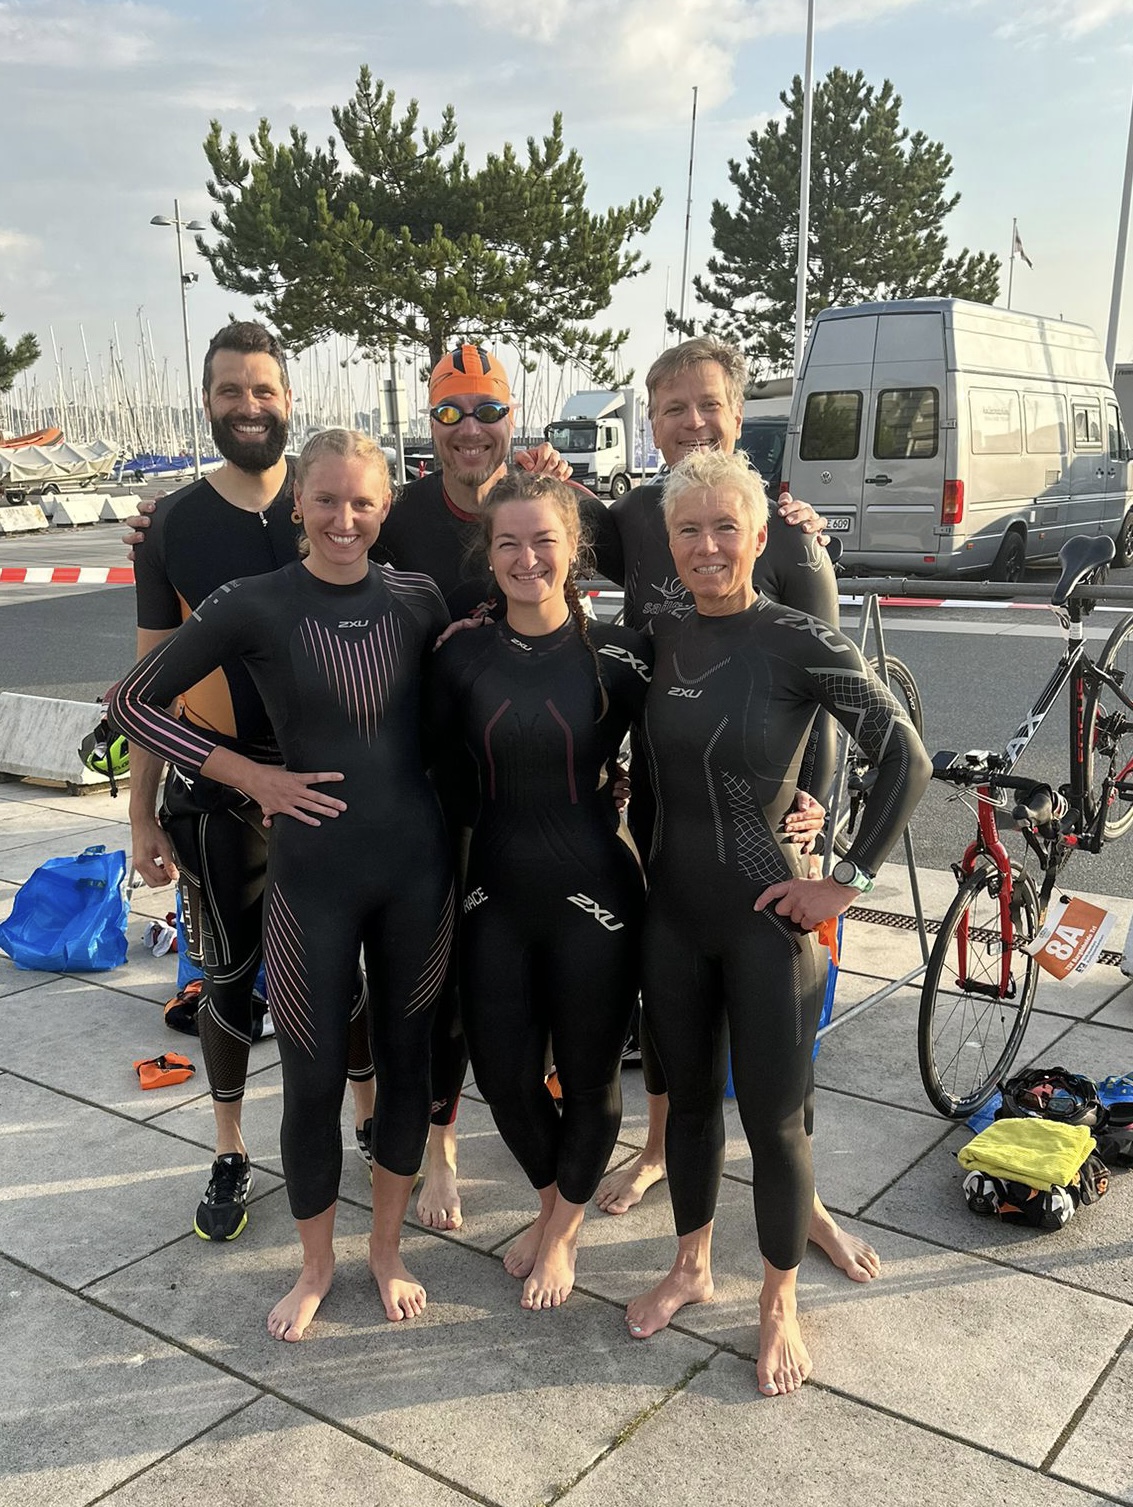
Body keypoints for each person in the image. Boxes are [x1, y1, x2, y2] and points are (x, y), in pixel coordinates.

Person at [113, 429, 453, 1338]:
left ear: (385, 506)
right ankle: (315, 1265)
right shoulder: (253, 603)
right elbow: (132, 701)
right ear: (296, 501)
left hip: (416, 869)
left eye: (362, 502)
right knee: (310, 1078)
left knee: (406, 1064)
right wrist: (251, 776)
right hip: (314, 877)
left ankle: (386, 1251)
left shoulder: (417, 598)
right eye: (327, 499)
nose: (344, 519)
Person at [625, 448, 931, 1394]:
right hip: (670, 919)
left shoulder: (797, 638)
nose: (707, 546)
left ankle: (777, 1301)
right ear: (669, 541)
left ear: (760, 536)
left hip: (765, 924)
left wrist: (844, 878)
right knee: (683, 1109)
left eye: (726, 527)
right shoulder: (657, 632)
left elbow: (905, 756)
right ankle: (690, 1263)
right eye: (688, 529)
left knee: (773, 1122)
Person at [594, 336, 872, 1286]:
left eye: (707, 404)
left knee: (775, 1063)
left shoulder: (786, 534)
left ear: (738, 412)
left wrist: (816, 807)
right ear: (649, 419)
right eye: (672, 408)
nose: (691, 422)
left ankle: (805, 1206)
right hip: (667, 797)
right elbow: (539, 551)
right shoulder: (631, 518)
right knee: (677, 1019)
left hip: (770, 812)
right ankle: (664, 1161)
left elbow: (829, 690)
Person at [127, 321, 374, 1243]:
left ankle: (365, 1117)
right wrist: (141, 814)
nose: (248, 406)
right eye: (230, 390)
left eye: (263, 389)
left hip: (331, 786)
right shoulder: (172, 525)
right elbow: (148, 676)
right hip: (221, 791)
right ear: (207, 401)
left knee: (346, 971)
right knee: (229, 978)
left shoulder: (327, 499)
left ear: (288, 399)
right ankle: (229, 1147)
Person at [429, 470, 650, 1309]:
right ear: (488, 554)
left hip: (595, 892)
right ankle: (555, 1198)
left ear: (574, 548)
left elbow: (695, 752)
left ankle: (560, 1229)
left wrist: (801, 801)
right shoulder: (459, 655)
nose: (527, 558)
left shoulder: (623, 655)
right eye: (509, 543)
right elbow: (435, 776)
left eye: (544, 540)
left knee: (591, 1081)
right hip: (496, 889)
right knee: (504, 1079)